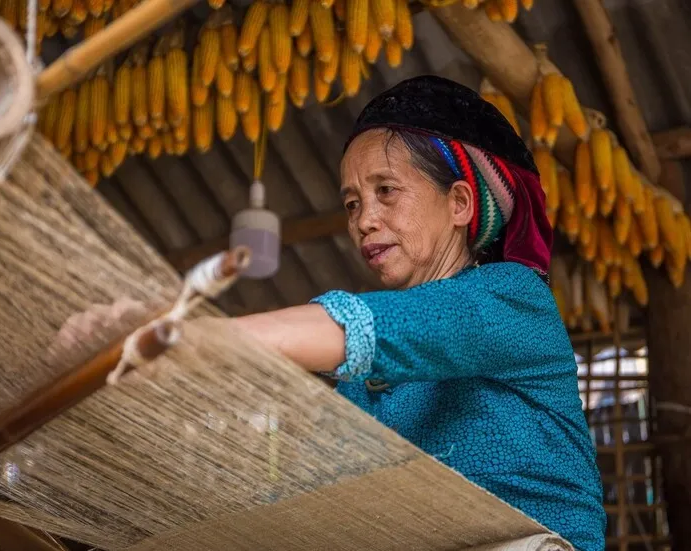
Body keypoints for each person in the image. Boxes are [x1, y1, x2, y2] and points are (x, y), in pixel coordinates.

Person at [62, 76, 606, 551]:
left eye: (386, 191)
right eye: (352, 203)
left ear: (460, 203)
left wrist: (181, 336)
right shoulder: (361, 387)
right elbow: (313, 498)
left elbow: (375, 329)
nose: (364, 219)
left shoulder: (512, 299)